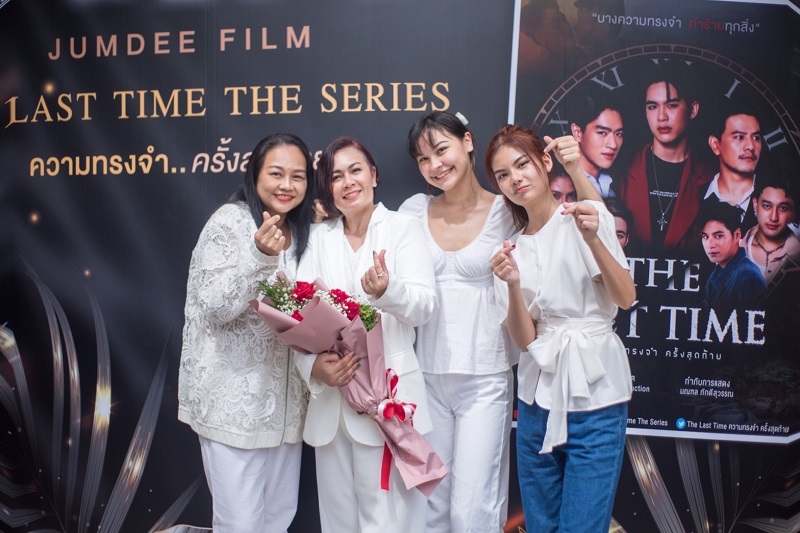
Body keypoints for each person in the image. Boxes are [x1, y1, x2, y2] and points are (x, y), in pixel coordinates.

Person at [487, 124, 635, 533]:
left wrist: (594, 239)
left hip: (596, 396)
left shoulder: (586, 215)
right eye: (503, 175)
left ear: (545, 161)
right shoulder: (510, 248)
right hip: (537, 402)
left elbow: (625, 297)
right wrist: (512, 284)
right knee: (542, 526)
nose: (516, 179)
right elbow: (524, 341)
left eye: (522, 164)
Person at [294, 136, 436, 533]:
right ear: (328, 188)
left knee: (390, 523)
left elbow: (425, 306)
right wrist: (313, 368)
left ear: (373, 175)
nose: (348, 182)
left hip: (387, 401)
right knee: (338, 524)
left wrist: (388, 291)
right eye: (336, 176)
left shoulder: (404, 228)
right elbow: (297, 316)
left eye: (355, 170)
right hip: (332, 408)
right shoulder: (318, 239)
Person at [178, 133, 316, 533]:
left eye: (298, 176)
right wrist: (259, 257)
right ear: (255, 175)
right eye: (276, 173)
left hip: (287, 411)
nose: (286, 185)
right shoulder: (229, 223)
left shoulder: (303, 231)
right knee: (239, 525)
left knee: (277, 521)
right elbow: (215, 307)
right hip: (233, 408)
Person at [399, 111, 516, 533]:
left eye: (441, 150)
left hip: (485, 378)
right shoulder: (413, 211)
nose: (435, 165)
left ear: (467, 142)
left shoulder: (507, 209)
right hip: (426, 377)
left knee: (473, 509)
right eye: (423, 159)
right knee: (430, 505)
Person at [617, 61, 715, 251]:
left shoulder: (711, 176)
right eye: (653, 107)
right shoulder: (622, 172)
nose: (661, 117)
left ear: (693, 110)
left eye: (671, 105)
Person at [700, 201, 765, 315]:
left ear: (737, 235)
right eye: (705, 237)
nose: (710, 245)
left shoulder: (747, 277)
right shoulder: (715, 274)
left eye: (718, 236)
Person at [703, 105, 762, 230]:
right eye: (739, 137)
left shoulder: (775, 199)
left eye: (756, 138)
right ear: (715, 145)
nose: (751, 146)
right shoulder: (695, 197)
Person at [741, 169, 799, 287]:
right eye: (767, 206)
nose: (774, 217)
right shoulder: (736, 248)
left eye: (782, 208)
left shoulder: (796, 254)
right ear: (755, 205)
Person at [569, 91, 625, 198]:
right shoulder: (565, 187)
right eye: (602, 133)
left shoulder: (611, 186)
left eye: (618, 134)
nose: (613, 145)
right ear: (577, 133)